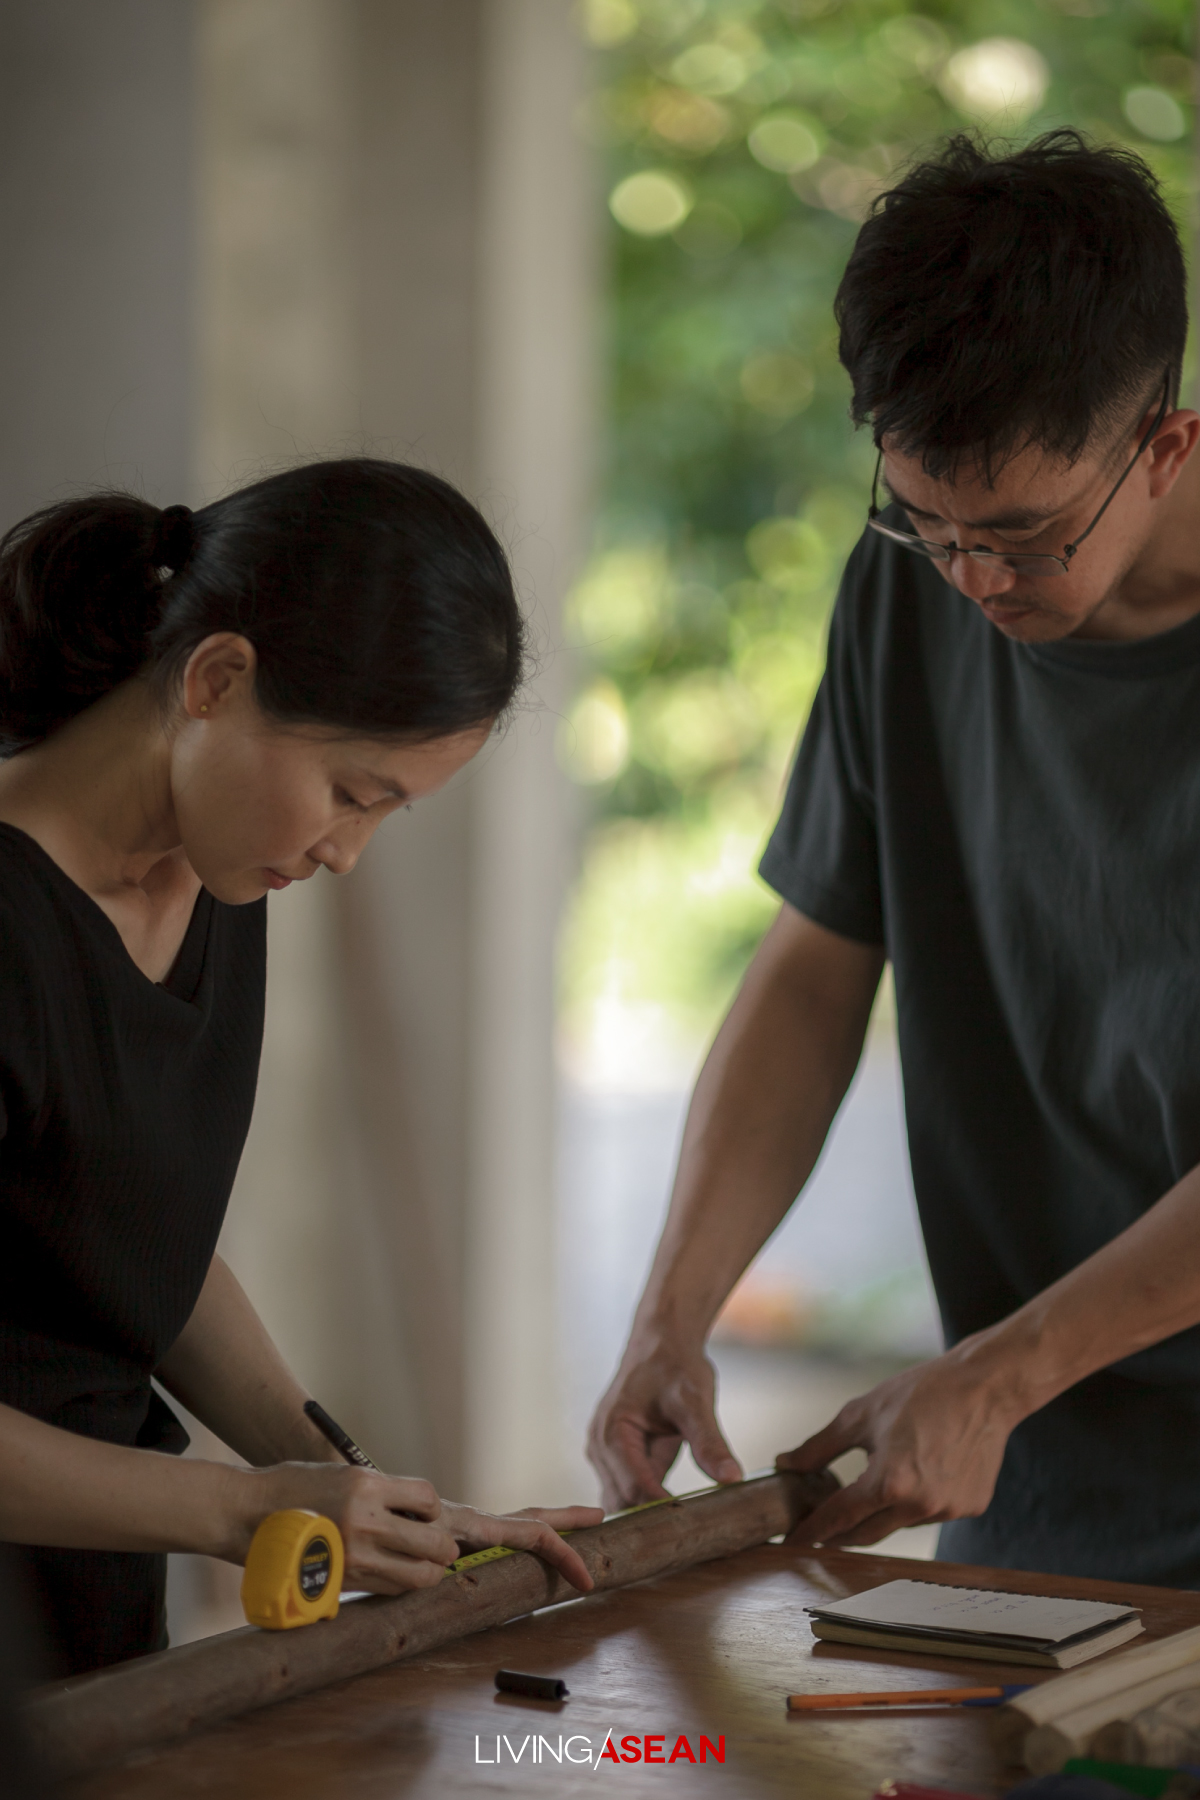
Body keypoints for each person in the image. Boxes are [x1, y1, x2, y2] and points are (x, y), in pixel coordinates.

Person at [588, 130, 1200, 1586]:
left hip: (1017, 1393)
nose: (974, 579)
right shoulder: (905, 596)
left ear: (1169, 446)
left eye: (1024, 537)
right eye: (924, 521)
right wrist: (674, 1312)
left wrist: (995, 1375)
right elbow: (814, 964)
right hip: (1037, 1489)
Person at [0, 459, 602, 1676]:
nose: (346, 854)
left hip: (87, 1620)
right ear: (218, 680)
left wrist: (372, 1499)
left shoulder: (217, 872)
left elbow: (129, 1241)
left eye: (386, 814)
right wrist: (242, 1508)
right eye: (349, 794)